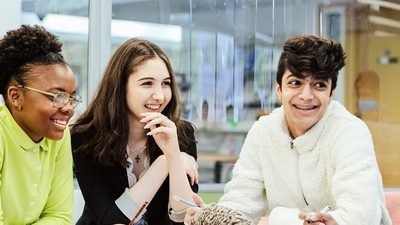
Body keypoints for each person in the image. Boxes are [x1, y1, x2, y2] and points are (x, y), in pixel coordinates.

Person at [185, 35, 392, 225]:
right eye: (295, 83)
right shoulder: (263, 132)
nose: (306, 95)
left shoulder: (350, 132)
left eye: (319, 85)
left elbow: (359, 216)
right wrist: (212, 215)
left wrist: (277, 219)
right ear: (279, 89)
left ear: (331, 93)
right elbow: (241, 201)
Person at [70, 38, 199, 225]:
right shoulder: (86, 137)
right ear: (121, 87)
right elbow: (110, 221)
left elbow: (185, 219)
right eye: (147, 83)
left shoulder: (180, 134)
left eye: (165, 83)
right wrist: (165, 163)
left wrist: (173, 154)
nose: (160, 96)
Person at [0, 25, 81, 224]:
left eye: (71, 98)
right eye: (57, 96)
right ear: (16, 96)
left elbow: (59, 216)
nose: (69, 108)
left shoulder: (58, 137)